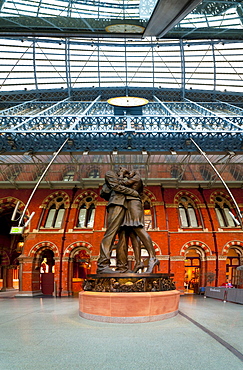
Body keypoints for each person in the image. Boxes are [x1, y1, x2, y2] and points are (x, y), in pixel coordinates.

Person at [96, 169, 140, 273]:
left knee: (124, 237)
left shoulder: (125, 179)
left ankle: (122, 267)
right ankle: (103, 265)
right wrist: (133, 192)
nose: (126, 171)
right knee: (110, 233)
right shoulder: (110, 173)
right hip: (116, 204)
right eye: (123, 169)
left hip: (126, 206)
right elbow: (115, 187)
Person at [116, 169, 159, 274]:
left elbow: (120, 184)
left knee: (138, 228)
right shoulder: (132, 178)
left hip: (134, 204)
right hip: (128, 205)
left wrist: (121, 174)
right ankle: (138, 262)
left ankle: (153, 257)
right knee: (132, 234)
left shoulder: (136, 177)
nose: (124, 174)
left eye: (125, 172)